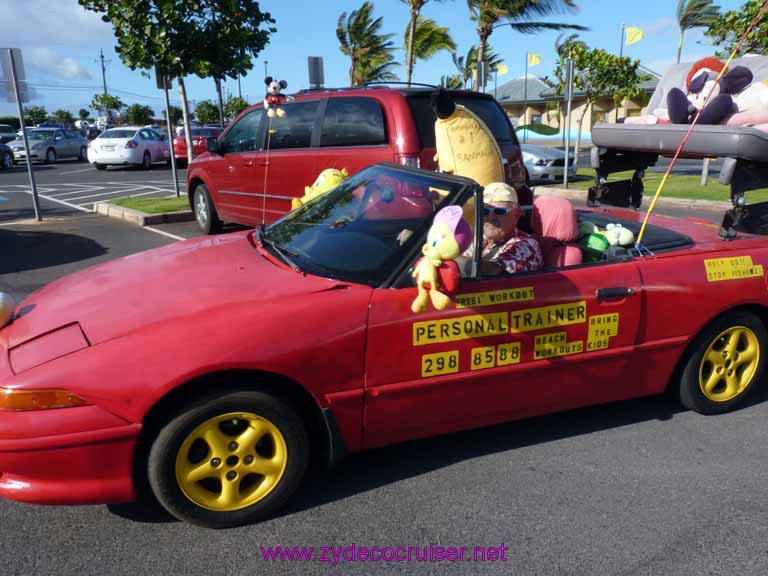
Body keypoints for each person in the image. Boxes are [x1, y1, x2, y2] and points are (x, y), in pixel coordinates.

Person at [477, 182, 543, 275]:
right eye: (485, 211)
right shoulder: (479, 238)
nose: (490, 217)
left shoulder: (526, 245)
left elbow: (496, 271)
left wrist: (457, 265)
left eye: (499, 211)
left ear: (516, 215)